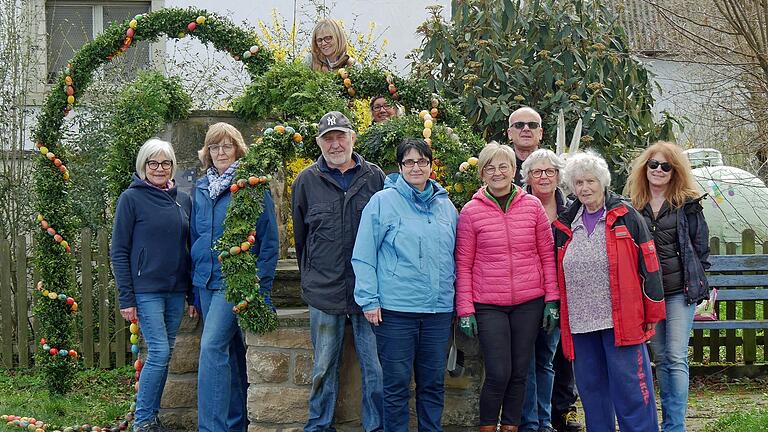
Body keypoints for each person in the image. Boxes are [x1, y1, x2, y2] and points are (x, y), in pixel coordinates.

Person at [553, 151, 665, 432]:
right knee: (592, 393)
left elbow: (649, 265)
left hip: (621, 319)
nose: (584, 188)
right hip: (580, 322)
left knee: (631, 390)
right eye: (578, 183)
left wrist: (652, 311)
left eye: (590, 181)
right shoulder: (567, 222)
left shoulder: (626, 216)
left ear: (602, 182)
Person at [352, 139, 457, 431]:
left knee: (433, 384)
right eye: (409, 162)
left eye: (422, 161)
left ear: (431, 166)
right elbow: (364, 254)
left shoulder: (446, 206)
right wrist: (369, 300)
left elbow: (455, 256)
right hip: (396, 312)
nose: (416, 167)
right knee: (396, 385)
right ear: (399, 167)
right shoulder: (383, 202)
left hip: (438, 311)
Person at [455, 142, 559, 432]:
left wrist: (552, 300)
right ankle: (488, 426)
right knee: (499, 372)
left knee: (519, 372)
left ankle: (512, 427)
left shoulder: (532, 206)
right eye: (490, 167)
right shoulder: (471, 212)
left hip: (529, 301)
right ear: (482, 173)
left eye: (504, 166)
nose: (498, 172)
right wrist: (465, 309)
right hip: (488, 304)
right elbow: (463, 264)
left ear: (514, 170)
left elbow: (546, 255)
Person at [292, 111, 385, 432]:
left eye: (340, 136)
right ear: (319, 143)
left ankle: (375, 427)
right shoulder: (305, 181)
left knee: (376, 368)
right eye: (328, 139)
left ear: (352, 138)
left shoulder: (375, 177)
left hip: (369, 293)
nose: (335, 144)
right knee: (322, 368)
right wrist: (312, 280)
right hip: (324, 291)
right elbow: (301, 240)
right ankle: (319, 426)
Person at [192, 122, 279, 432]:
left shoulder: (251, 186)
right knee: (230, 352)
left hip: (234, 282)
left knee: (211, 348)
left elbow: (269, 242)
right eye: (214, 147)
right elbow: (196, 236)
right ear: (207, 152)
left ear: (238, 149)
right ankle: (235, 424)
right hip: (205, 282)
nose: (220, 152)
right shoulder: (201, 188)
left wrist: (262, 287)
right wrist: (193, 287)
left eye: (226, 146)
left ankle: (211, 428)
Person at [625, 141, 710, 432]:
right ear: (644, 168)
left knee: (675, 356)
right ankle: (666, 421)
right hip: (648, 294)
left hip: (679, 293)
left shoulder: (687, 204)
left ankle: (675, 426)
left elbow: (700, 248)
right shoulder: (632, 205)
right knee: (660, 358)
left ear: (675, 172)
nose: (659, 170)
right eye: (653, 165)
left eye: (666, 166)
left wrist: (697, 282)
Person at [112, 138, 195, 432]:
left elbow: (190, 248)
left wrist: (191, 294)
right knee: (159, 353)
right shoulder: (130, 199)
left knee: (165, 353)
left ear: (172, 167)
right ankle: (144, 421)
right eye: (153, 163)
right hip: (145, 291)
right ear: (143, 166)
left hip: (175, 291)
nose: (159, 169)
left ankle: (151, 417)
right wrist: (126, 297)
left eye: (165, 163)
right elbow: (119, 250)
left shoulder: (182, 199)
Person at [518, 149, 574, 432]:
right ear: (527, 177)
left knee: (549, 360)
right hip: (527, 295)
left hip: (560, 295)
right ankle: (530, 422)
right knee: (526, 362)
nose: (543, 177)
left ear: (558, 176)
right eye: (537, 172)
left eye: (549, 171)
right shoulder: (518, 206)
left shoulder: (570, 210)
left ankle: (547, 419)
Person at [507, 107, 544, 186]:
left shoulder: (552, 166)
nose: (526, 129)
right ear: (509, 133)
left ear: (540, 133)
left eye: (532, 125)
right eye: (519, 125)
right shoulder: (501, 166)